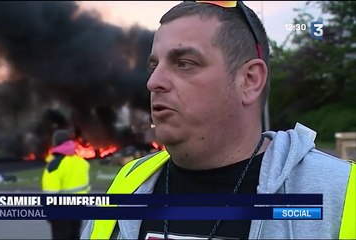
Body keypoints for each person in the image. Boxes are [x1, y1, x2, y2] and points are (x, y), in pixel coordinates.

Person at [81, 1, 355, 239]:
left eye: (184, 63)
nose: (154, 82)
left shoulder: (339, 194)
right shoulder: (129, 184)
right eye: (154, 66)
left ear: (249, 80)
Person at [42, 129, 90, 239]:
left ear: (55, 143)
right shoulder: (81, 162)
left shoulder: (54, 165)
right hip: (79, 206)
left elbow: (50, 193)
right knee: (75, 236)